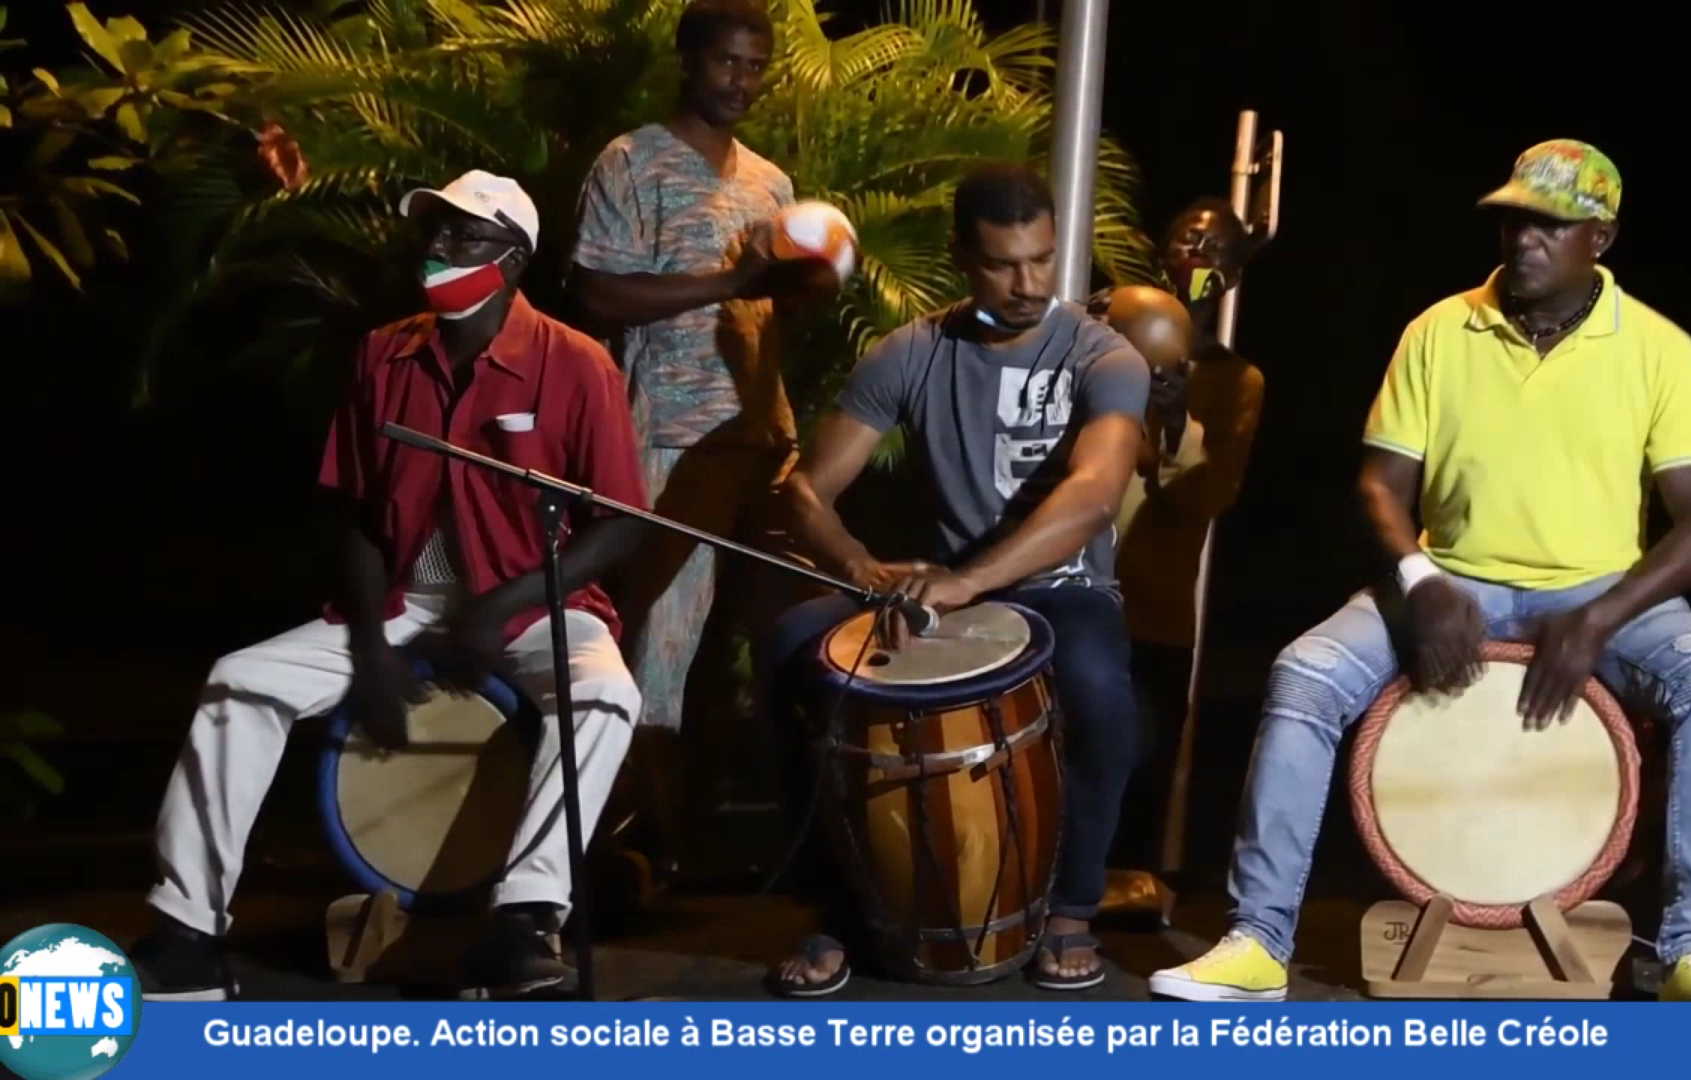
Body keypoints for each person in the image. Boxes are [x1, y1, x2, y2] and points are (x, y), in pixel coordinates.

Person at [1149, 139, 1691, 1019]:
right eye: (1512, 219)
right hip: (1450, 575)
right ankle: (1258, 941)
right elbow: (1380, 486)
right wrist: (1419, 578)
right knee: (1303, 672)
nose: (1522, 238)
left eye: (1548, 224)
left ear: (1598, 239)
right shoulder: (1439, 329)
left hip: (1596, 588)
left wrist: (1602, 616)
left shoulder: (1657, 349)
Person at [128, 170, 654, 1003]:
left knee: (605, 698)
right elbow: (351, 512)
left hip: (530, 600)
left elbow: (621, 521)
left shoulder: (575, 363)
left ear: (512, 260)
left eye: (464, 237)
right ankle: (188, 933)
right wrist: (370, 645)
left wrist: (507, 604)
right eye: (435, 232)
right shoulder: (383, 353)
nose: (440, 249)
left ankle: (523, 922)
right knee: (239, 682)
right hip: (404, 601)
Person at [756, 162, 1151, 996]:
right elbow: (804, 490)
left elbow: (1092, 498)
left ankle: (1072, 908)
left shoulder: (1101, 354)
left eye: (1042, 259)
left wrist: (968, 581)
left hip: (1061, 588)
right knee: (795, 645)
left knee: (1101, 691)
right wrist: (861, 570)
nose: (1027, 283)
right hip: (947, 588)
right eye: (1005, 264)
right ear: (960, 257)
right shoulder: (912, 353)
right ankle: (833, 906)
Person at [569, 0, 822, 745]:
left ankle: (723, 826)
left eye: (756, 65)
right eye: (726, 61)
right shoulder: (631, 161)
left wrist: (813, 283)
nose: (742, 80)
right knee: (661, 643)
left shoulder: (770, 183)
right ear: (689, 60)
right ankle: (636, 836)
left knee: (781, 637)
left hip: (763, 435)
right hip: (670, 440)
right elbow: (597, 292)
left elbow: (767, 304)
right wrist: (729, 284)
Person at [1092, 201, 1267, 875]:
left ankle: (1122, 889)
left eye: (1216, 249)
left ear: (1232, 275)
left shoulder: (1233, 381)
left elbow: (1214, 493)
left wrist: (1173, 426)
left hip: (1154, 601)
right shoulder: (1100, 337)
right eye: (1187, 238)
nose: (1199, 255)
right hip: (1072, 580)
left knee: (1141, 753)